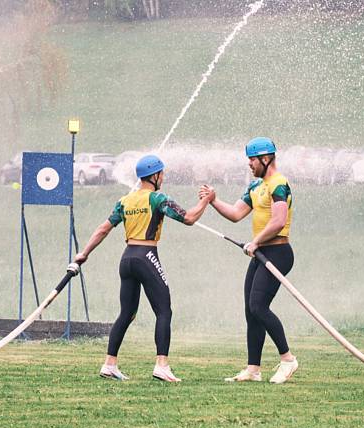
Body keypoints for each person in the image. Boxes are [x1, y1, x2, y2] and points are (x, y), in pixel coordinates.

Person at [74, 155, 214, 382]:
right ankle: (162, 365)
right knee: (164, 311)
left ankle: (110, 364)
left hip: (127, 259)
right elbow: (188, 218)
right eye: (162, 174)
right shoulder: (158, 198)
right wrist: (207, 200)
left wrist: (84, 254)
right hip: (147, 256)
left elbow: (103, 229)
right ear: (156, 175)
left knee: (126, 314)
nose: (164, 177)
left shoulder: (125, 201)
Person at [199, 137, 298, 384]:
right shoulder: (256, 187)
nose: (249, 165)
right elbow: (235, 214)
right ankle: (253, 369)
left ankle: (288, 359)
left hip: (278, 253)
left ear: (266, 159)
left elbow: (278, 221)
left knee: (258, 306)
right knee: (250, 311)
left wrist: (255, 242)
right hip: (260, 253)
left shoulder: (279, 184)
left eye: (252, 160)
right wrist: (213, 200)